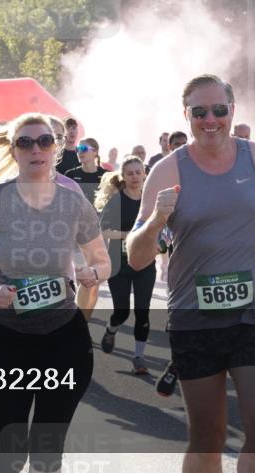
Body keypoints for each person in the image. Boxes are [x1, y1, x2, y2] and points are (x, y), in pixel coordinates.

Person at [126, 74, 255, 473]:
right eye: (199, 112)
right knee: (208, 437)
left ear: (232, 111)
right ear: (186, 115)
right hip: (195, 318)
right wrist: (155, 222)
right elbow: (135, 258)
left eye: (219, 110)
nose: (210, 120)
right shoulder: (167, 171)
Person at [0, 113, 111, 473]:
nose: (36, 149)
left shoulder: (73, 202)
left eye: (44, 141)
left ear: (56, 148)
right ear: (14, 150)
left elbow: (103, 261)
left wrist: (92, 272)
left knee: (46, 458)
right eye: (25, 142)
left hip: (63, 340)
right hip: (5, 340)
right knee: (6, 457)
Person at [95, 156, 155, 374]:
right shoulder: (117, 201)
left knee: (143, 312)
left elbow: (162, 226)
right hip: (119, 263)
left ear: (144, 174)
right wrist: (128, 235)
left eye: (138, 172)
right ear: (123, 176)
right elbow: (103, 231)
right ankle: (111, 329)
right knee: (122, 312)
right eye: (130, 173)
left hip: (145, 263)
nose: (135, 177)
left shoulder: (150, 200)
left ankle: (139, 357)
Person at [64, 137, 108, 203]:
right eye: (78, 149)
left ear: (95, 152)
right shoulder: (70, 175)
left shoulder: (106, 176)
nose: (80, 152)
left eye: (83, 148)